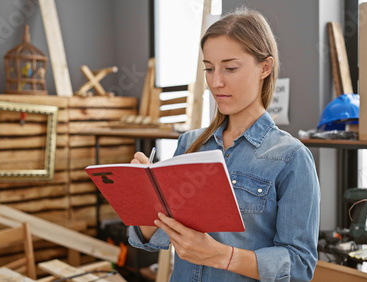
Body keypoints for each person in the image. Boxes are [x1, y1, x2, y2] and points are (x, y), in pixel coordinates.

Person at [128, 7, 320, 282]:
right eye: (209, 68)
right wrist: (144, 194)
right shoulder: (190, 144)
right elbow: (154, 236)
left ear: (265, 67)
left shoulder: (291, 157)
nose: (215, 82)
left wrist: (221, 255)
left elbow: (300, 266)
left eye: (230, 68)